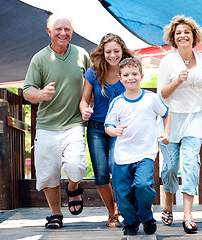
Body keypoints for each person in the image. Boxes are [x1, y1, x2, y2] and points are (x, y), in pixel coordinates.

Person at [23, 14, 90, 229]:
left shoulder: (81, 54)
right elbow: (27, 91)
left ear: (72, 31)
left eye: (67, 29)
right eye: (58, 29)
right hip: (47, 125)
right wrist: (41, 94)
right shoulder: (40, 58)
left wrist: (90, 104)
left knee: (77, 166)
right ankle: (55, 214)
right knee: (48, 173)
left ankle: (73, 187)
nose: (63, 33)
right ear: (49, 32)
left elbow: (92, 83)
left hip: (74, 123)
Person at [157, 15, 202, 233]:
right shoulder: (168, 61)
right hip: (171, 117)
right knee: (170, 166)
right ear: (173, 39)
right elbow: (161, 94)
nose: (182, 35)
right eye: (178, 33)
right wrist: (177, 81)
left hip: (196, 116)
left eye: (186, 32)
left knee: (191, 163)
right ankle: (167, 203)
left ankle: (187, 215)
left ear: (194, 36)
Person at [105, 58, 171, 236]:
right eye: (126, 75)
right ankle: (131, 222)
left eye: (134, 74)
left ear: (141, 76)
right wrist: (114, 130)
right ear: (120, 78)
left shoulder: (151, 98)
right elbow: (108, 126)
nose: (130, 78)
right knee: (123, 192)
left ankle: (146, 216)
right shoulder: (118, 103)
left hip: (145, 153)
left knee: (143, 185)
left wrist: (166, 133)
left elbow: (166, 113)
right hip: (123, 155)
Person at [79, 33, 135, 227]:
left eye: (116, 51)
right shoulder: (93, 73)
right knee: (101, 173)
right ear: (102, 52)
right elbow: (84, 100)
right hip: (96, 128)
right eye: (108, 51)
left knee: (116, 167)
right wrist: (84, 110)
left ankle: (121, 207)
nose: (112, 55)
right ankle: (112, 213)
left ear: (122, 52)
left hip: (119, 129)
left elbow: (136, 99)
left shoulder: (128, 71)